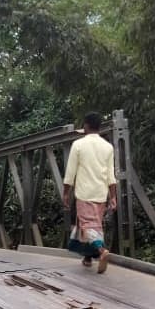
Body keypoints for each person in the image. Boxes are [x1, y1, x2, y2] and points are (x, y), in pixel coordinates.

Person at [63, 113, 117, 273]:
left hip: (84, 194)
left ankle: (101, 251)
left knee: (87, 226)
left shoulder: (78, 145)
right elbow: (110, 175)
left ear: (86, 125)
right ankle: (87, 257)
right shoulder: (108, 147)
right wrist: (113, 196)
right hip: (100, 195)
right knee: (92, 225)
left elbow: (70, 172)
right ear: (99, 126)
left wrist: (66, 193)